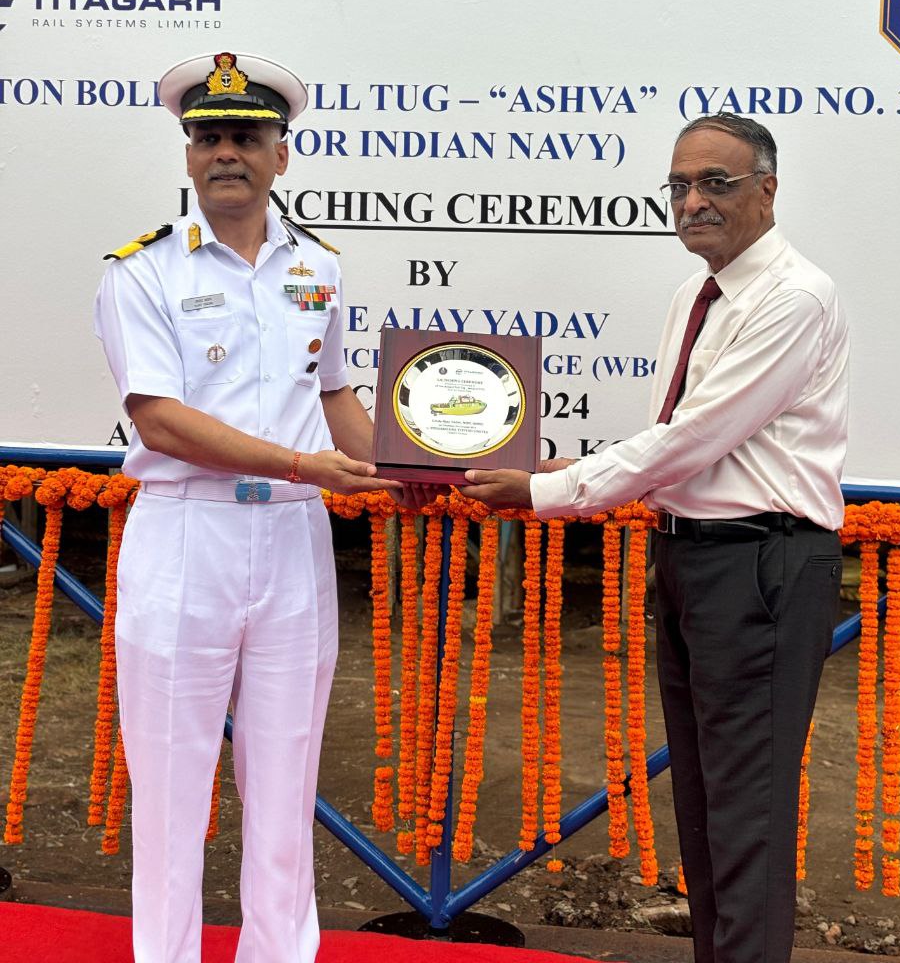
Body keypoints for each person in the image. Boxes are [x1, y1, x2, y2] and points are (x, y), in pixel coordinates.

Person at [462, 112, 848, 963]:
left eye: (716, 182)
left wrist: (549, 489)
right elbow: (678, 446)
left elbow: (692, 439)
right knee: (706, 810)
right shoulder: (693, 295)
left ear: (767, 190)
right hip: (692, 558)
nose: (693, 201)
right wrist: (561, 466)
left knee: (746, 814)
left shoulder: (793, 296)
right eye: (679, 185)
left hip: (763, 565)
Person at [94, 51, 415, 963]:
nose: (225, 152)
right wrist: (305, 466)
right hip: (186, 535)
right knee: (168, 785)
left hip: (289, 542)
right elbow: (159, 418)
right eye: (208, 136)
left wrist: (420, 471)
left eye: (246, 136)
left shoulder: (318, 267)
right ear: (188, 154)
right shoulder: (141, 272)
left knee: (286, 777)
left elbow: (335, 397)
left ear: (282, 153)